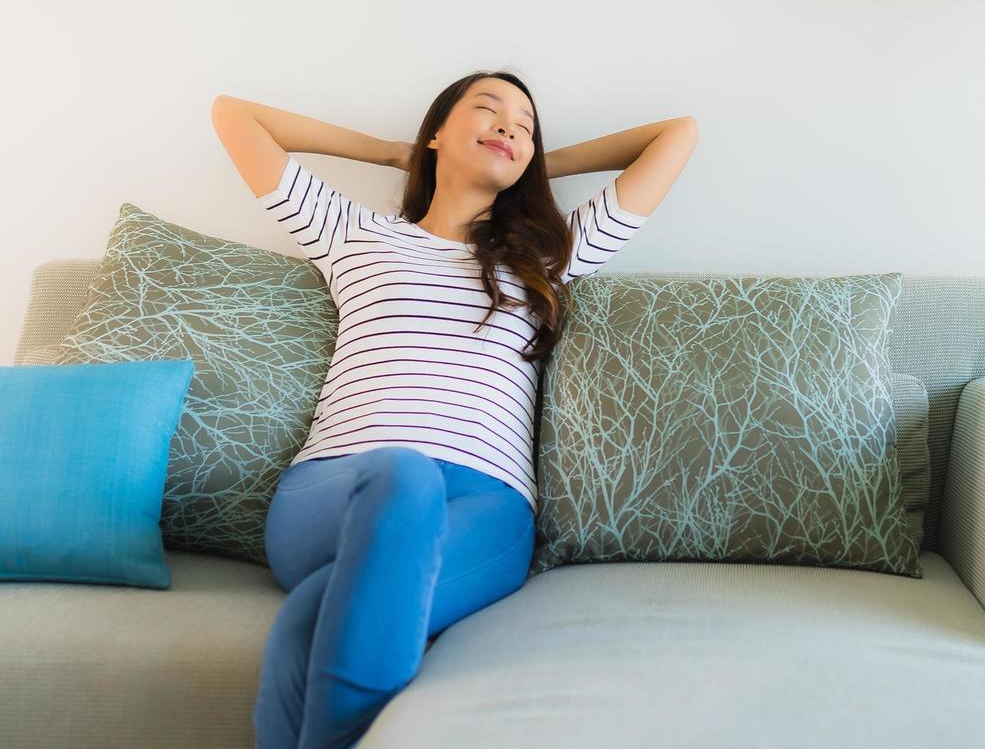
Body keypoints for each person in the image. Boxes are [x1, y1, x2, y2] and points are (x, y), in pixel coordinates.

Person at [210, 71, 698, 749]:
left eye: (525, 126)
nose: (510, 128)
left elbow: (677, 136)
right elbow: (235, 115)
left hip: (486, 506)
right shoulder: (352, 234)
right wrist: (392, 150)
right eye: (489, 112)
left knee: (310, 615)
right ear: (436, 131)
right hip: (338, 486)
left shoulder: (548, 259)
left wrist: (527, 167)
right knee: (402, 477)